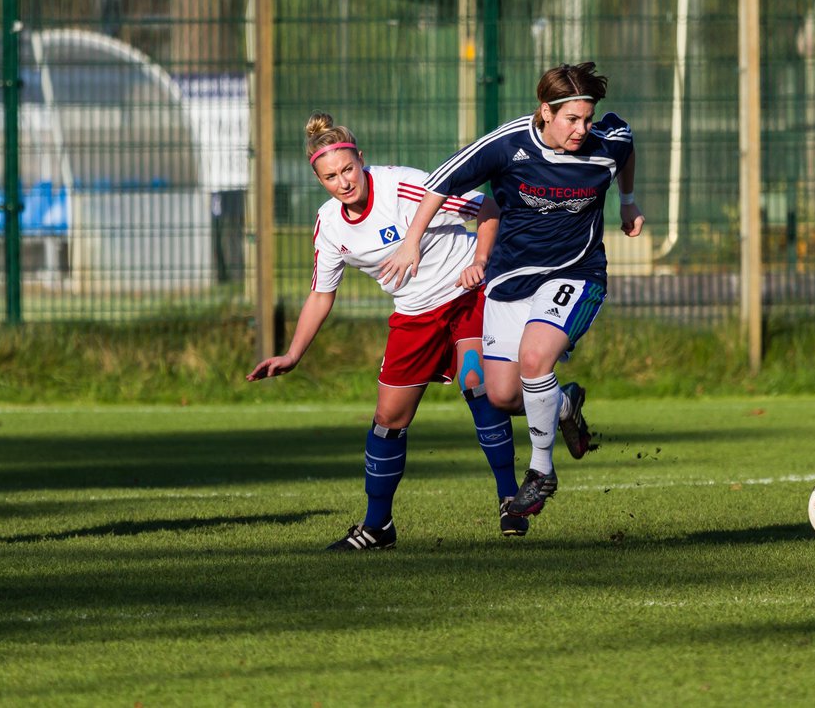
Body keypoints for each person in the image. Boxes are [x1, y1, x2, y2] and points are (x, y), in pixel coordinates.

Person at [247, 111, 523, 551]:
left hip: (466, 294)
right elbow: (321, 294)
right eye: (330, 177)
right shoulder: (330, 225)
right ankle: (378, 527)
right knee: (388, 420)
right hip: (414, 314)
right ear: (320, 180)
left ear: (362, 160)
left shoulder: (404, 186)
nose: (343, 182)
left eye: (348, 170)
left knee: (477, 382)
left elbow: (487, 207)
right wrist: (293, 355)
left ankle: (511, 497)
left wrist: (480, 262)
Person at [379, 62, 644, 519]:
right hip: (509, 280)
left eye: (587, 118)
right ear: (545, 111)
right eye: (571, 119)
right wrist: (411, 244)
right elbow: (438, 184)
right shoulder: (507, 144)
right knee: (501, 394)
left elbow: (626, 146)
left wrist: (628, 200)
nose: (582, 129)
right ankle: (564, 404)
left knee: (535, 360)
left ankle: (541, 472)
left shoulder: (605, 145)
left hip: (576, 274)